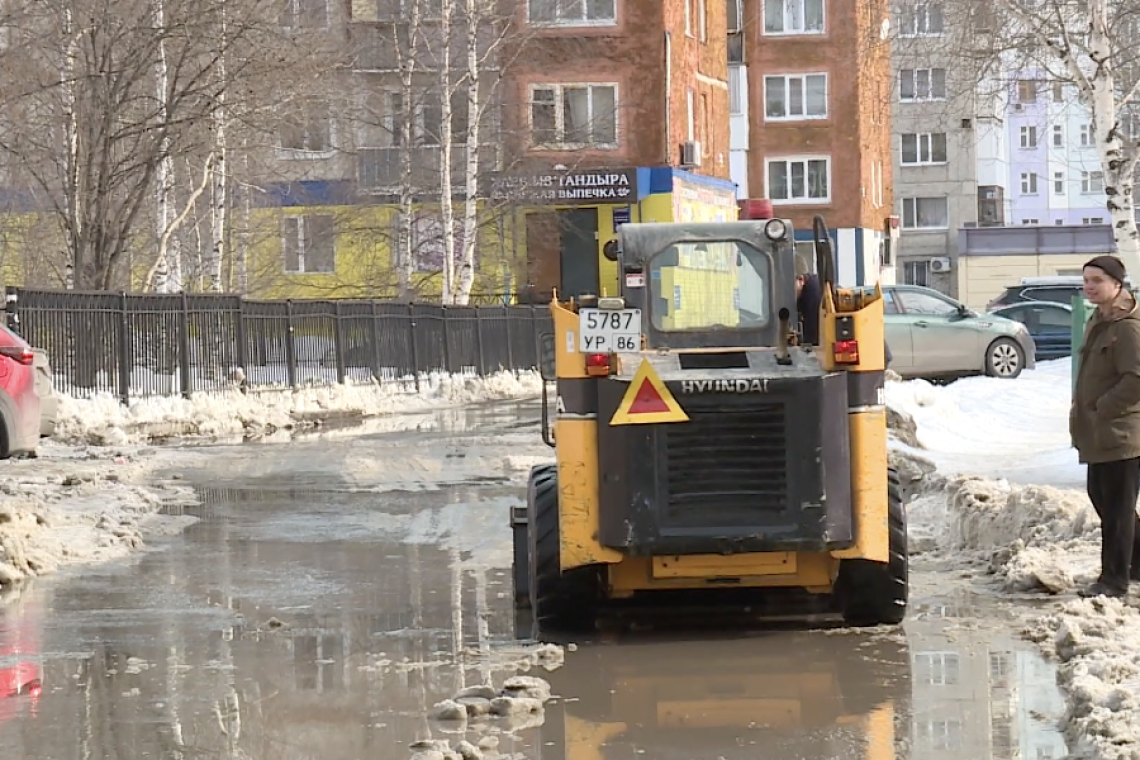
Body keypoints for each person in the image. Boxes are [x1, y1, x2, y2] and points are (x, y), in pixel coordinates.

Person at [1069, 254, 1140, 598]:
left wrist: (1103, 407)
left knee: (1117, 509)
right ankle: (1136, 563)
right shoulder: (1100, 319)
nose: (1089, 287)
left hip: (1122, 432)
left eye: (1096, 280)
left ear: (1116, 283)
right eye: (1086, 281)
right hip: (1100, 432)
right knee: (1104, 499)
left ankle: (1114, 580)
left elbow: (1136, 378)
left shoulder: (1127, 325)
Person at [795, 272, 892, 366]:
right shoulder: (815, 286)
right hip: (872, 353)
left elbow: (814, 327)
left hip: (867, 355)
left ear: (801, 280)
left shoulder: (813, 291)